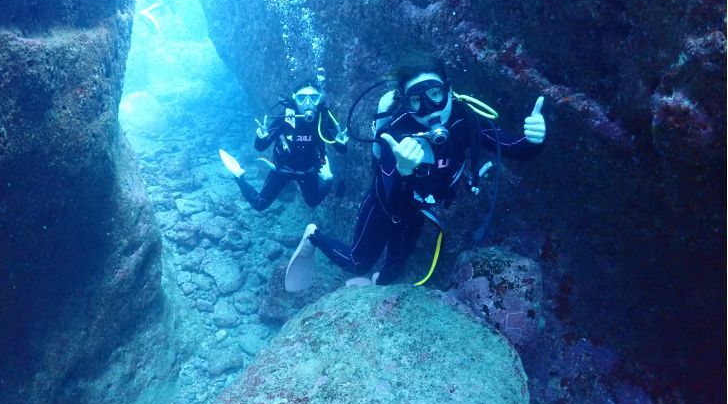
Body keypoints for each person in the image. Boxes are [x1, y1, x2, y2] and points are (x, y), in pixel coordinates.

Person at [284, 53, 546, 291]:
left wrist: (535, 139)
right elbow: (393, 203)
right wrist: (403, 170)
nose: (429, 109)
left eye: (434, 94)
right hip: (383, 205)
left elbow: (517, 149)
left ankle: (375, 285)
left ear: (449, 89)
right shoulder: (396, 133)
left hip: (419, 210)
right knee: (357, 262)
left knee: (392, 272)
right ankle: (313, 236)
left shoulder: (463, 119)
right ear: (405, 103)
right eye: (416, 100)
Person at [219, 83, 348, 211]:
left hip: (307, 171)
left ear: (319, 100)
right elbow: (260, 147)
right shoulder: (286, 118)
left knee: (313, 203)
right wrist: (261, 138)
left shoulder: (322, 120)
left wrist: (341, 143)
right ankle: (238, 174)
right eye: (302, 98)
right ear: (294, 99)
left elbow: (342, 150)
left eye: (313, 98)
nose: (307, 103)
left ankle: (328, 179)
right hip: (282, 169)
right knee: (259, 205)